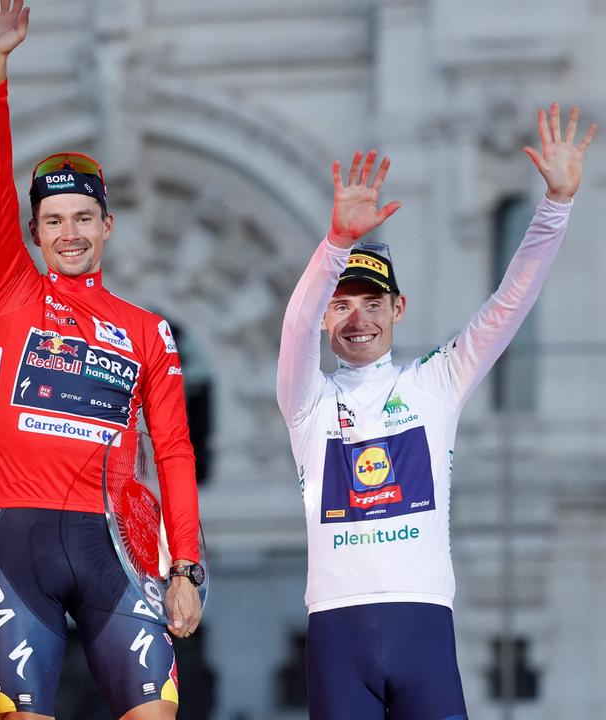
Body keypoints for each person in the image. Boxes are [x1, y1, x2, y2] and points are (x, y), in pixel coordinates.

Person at [276, 105, 595, 719]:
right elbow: (293, 327)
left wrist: (556, 205)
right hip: (336, 638)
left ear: (398, 308)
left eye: (372, 303)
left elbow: (509, 305)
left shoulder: (435, 383)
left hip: (423, 628)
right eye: (340, 306)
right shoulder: (307, 400)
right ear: (325, 317)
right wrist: (336, 244)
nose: (358, 319)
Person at [0, 3, 204, 718]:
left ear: (107, 224)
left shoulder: (146, 330)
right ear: (34, 232)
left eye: (82, 218)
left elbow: (172, 449)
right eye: (52, 221)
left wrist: (186, 566)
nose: (68, 234)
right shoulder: (13, 291)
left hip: (119, 551)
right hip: (21, 543)